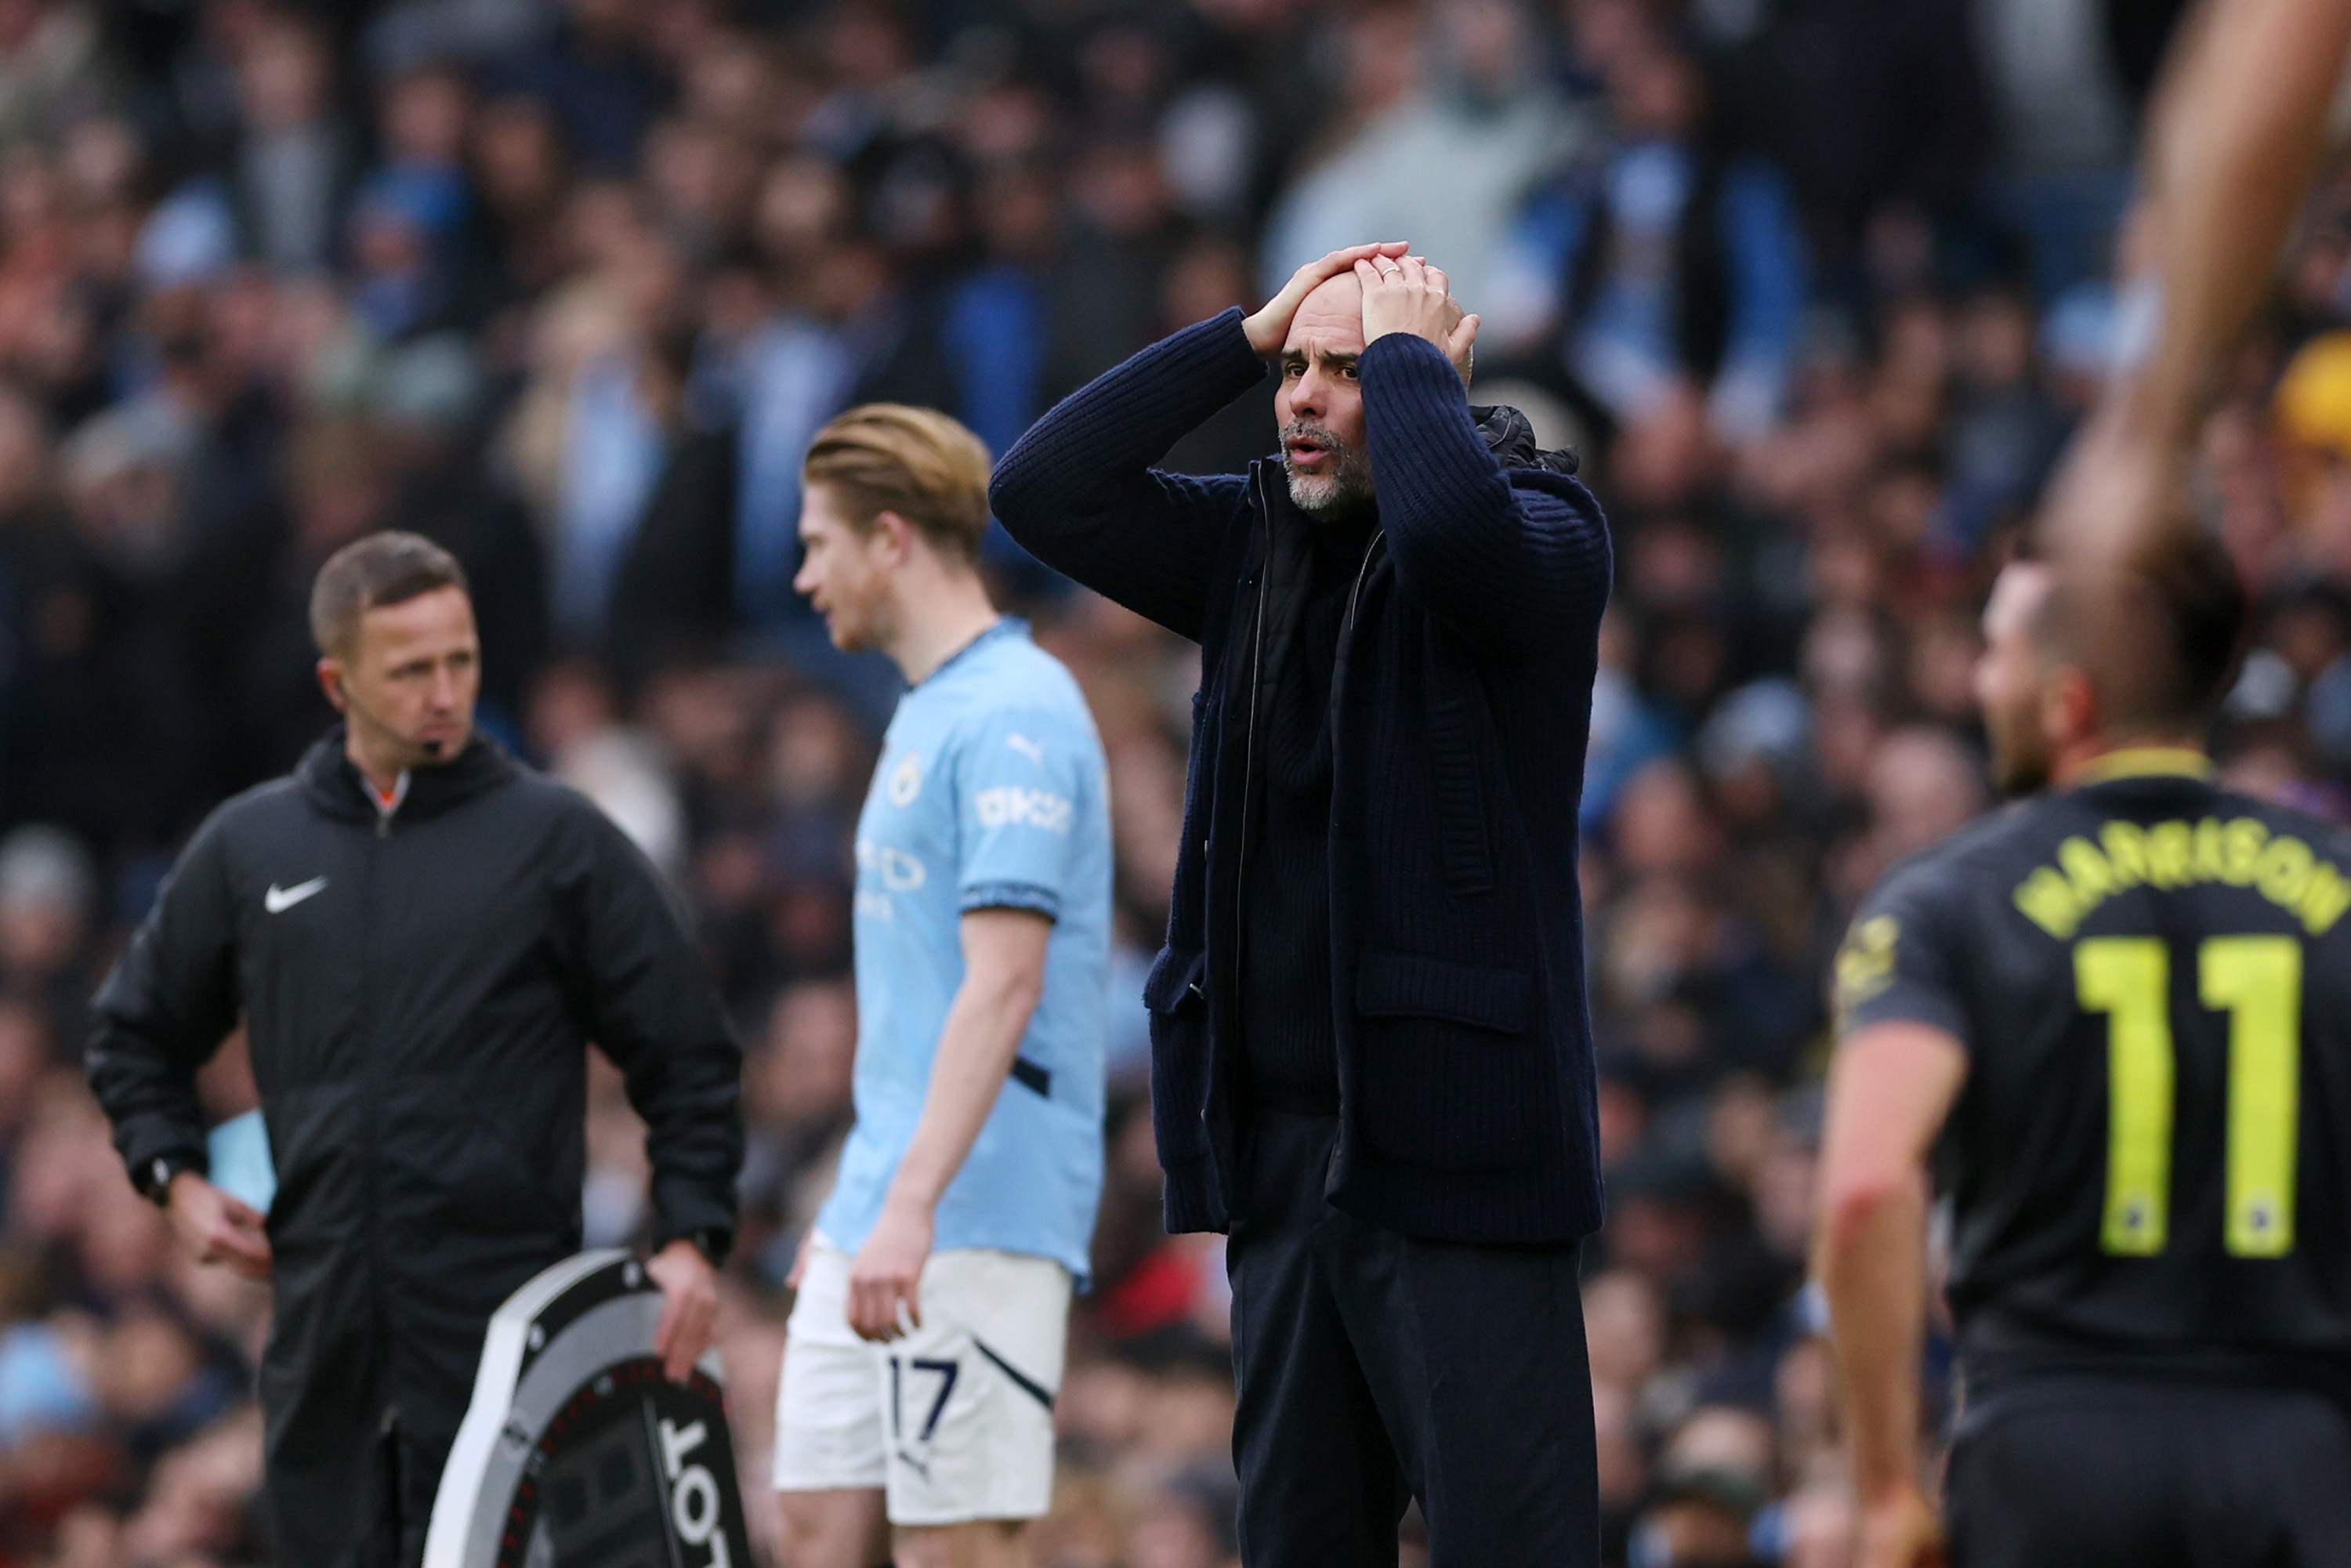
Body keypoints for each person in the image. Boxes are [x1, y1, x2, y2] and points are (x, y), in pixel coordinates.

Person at [992, 243, 1613, 1564]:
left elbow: (1450, 537)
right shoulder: (1250, 543)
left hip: (1459, 1166)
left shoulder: (1548, 535)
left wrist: (1412, 372)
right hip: (1283, 1167)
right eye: (1294, 371)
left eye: (1346, 368)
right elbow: (1041, 489)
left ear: (1434, 380)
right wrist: (1238, 335)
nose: (1303, 398)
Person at [84, 531, 742, 1568]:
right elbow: (133, 1033)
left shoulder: (557, 839)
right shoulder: (252, 846)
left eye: (462, 660)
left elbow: (690, 1052)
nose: (447, 691)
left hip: (509, 1350)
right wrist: (175, 1180)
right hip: (322, 1359)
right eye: (411, 669)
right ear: (336, 682)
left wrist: (690, 1235)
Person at [1816, 541, 2351, 1568]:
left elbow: (1864, 1188)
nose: (1980, 680)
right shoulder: (2331, 884)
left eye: (1997, 652)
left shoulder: (1949, 898)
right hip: (2303, 1450)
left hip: (2055, 1452)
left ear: (2067, 701)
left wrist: (1885, 1484)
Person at [772, 405, 1112, 1568]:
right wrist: (859, 1200)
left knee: (954, 1550)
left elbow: (1005, 982)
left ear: (891, 537)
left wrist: (911, 1203)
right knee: (814, 1527)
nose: (805, 575)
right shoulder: (928, 707)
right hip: (884, 1196)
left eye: (820, 543)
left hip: (977, 1206)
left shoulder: (1019, 709)